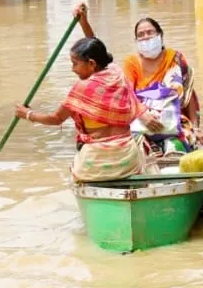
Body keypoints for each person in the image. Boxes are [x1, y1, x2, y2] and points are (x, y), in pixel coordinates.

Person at [14, 36, 159, 182]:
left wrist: (27, 114)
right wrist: (83, 21)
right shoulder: (117, 74)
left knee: (74, 171)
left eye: (75, 64)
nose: (72, 69)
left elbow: (56, 119)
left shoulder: (82, 88)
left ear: (91, 63)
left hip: (95, 162)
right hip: (127, 158)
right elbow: (99, 50)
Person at [76, 3, 203, 154]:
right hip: (141, 121)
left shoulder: (175, 58)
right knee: (136, 147)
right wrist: (143, 116)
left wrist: (197, 129)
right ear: (136, 41)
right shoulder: (132, 63)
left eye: (150, 32)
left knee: (183, 142)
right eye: (141, 35)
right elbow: (126, 93)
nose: (146, 37)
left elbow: (189, 97)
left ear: (160, 36)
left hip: (174, 121)